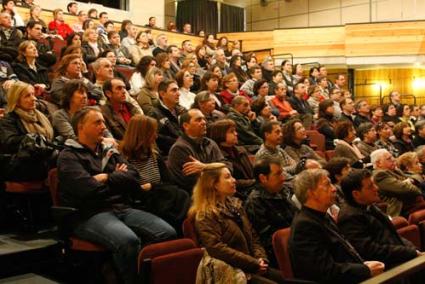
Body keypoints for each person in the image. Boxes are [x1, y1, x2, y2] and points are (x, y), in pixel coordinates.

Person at [57, 107, 176, 284]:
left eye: (104, 122)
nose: (103, 126)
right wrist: (118, 178)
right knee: (128, 241)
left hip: (121, 207)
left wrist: (106, 177)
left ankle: (126, 270)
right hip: (89, 214)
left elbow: (134, 177)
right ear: (81, 127)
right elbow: (88, 189)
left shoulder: (109, 150)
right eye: (97, 122)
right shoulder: (68, 156)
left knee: (167, 233)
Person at [189, 163, 285, 284]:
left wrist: (261, 259)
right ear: (214, 184)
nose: (234, 180)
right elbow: (217, 249)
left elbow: (253, 235)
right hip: (232, 272)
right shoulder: (205, 215)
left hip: (252, 265)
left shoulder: (236, 205)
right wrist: (253, 263)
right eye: (228, 177)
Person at [289, 169, 385, 283]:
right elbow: (324, 271)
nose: (334, 188)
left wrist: (363, 264)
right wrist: (364, 270)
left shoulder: (323, 216)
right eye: (327, 184)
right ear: (311, 193)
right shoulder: (304, 226)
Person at [338, 169, 421, 269]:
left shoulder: (368, 205)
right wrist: (409, 252)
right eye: (370, 187)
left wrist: (412, 249)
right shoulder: (349, 217)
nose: (376, 188)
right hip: (389, 269)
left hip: (400, 257)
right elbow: (371, 251)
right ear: (356, 194)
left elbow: (392, 235)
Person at [119, 114, 190, 230]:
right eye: (152, 133)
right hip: (140, 203)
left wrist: (152, 186)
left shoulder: (154, 155)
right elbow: (130, 190)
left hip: (158, 195)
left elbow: (169, 181)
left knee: (182, 195)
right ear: (142, 135)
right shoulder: (123, 158)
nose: (156, 136)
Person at [245, 158, 298, 265]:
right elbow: (268, 240)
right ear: (263, 178)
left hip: (297, 242)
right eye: (278, 174)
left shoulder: (283, 191)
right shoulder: (255, 202)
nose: (283, 178)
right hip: (283, 254)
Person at [0, 81, 54, 181]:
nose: (34, 98)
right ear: (16, 100)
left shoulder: (40, 114)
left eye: (33, 94)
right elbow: (9, 143)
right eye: (27, 96)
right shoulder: (9, 120)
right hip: (24, 163)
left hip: (44, 157)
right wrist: (35, 139)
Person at [167, 108, 227, 193]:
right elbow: (194, 181)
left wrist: (205, 167)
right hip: (197, 196)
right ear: (186, 126)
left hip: (216, 189)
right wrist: (216, 168)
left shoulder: (210, 143)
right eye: (198, 120)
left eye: (203, 119)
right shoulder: (180, 148)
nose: (204, 122)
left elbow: (227, 166)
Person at [208, 119, 256, 200]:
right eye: (231, 131)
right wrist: (254, 182)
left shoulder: (241, 150)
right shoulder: (218, 157)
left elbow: (251, 172)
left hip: (251, 188)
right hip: (236, 194)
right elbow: (231, 181)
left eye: (235, 131)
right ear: (221, 134)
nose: (236, 134)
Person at [371, 149, 425, 217]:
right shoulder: (379, 175)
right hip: (402, 208)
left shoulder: (393, 169)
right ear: (379, 163)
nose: (393, 159)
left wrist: (410, 180)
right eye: (389, 159)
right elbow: (406, 189)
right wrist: (414, 184)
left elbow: (415, 177)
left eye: (392, 157)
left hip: (411, 201)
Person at [148, 80, 185, 154]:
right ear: (162, 94)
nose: (178, 94)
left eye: (178, 90)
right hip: (169, 153)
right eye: (174, 90)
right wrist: (182, 142)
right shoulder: (154, 115)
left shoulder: (183, 110)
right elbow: (158, 139)